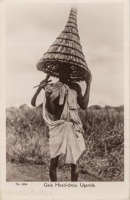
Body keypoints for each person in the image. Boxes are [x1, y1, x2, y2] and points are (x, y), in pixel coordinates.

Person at [31, 65, 92, 182]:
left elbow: (84, 106)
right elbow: (52, 111)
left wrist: (89, 84)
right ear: (58, 73)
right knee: (54, 160)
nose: (66, 74)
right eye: (63, 71)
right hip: (59, 126)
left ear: (71, 72)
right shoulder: (53, 88)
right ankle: (54, 189)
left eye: (68, 71)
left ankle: (73, 190)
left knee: (75, 162)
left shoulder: (75, 86)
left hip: (73, 125)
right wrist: (46, 96)